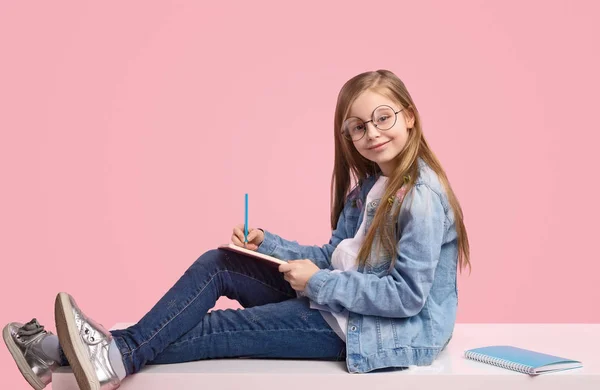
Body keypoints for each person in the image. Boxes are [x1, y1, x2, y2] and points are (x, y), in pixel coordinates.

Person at [3, 69, 470, 390]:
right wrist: (270, 245)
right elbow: (332, 256)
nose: (372, 133)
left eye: (383, 118)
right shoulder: (369, 187)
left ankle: (85, 354)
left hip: (363, 328)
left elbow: (406, 297)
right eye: (357, 127)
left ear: (409, 115)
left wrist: (320, 284)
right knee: (221, 262)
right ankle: (106, 354)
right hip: (336, 301)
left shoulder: (422, 199)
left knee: (220, 330)